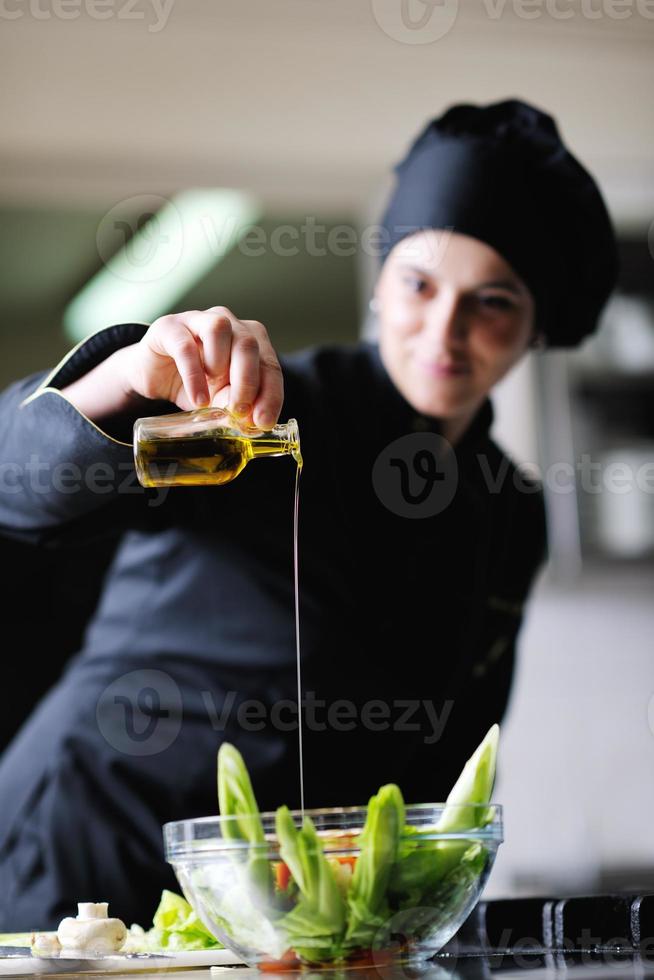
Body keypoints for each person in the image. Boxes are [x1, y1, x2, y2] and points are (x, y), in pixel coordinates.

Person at [0, 98, 618, 931]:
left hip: (287, 913)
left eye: (493, 301)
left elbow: (453, 750)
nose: (445, 330)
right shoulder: (263, 412)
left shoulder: (509, 506)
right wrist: (131, 381)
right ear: (380, 281)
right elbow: (19, 487)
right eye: (419, 284)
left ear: (536, 328)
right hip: (84, 863)